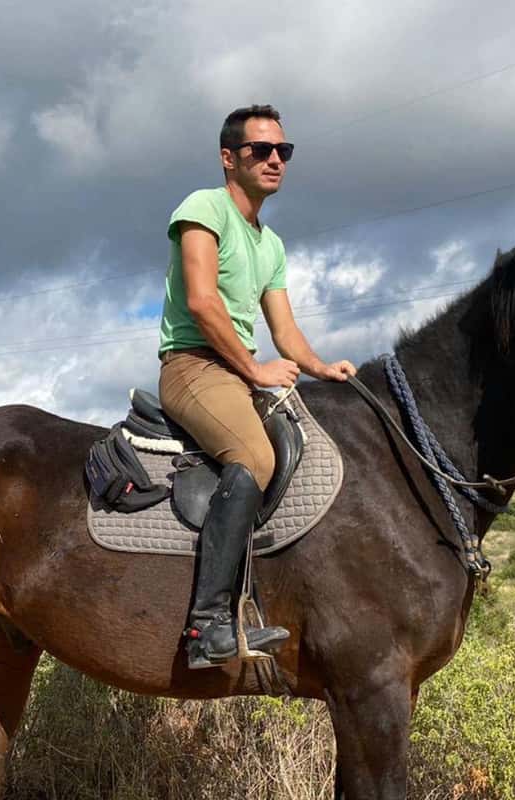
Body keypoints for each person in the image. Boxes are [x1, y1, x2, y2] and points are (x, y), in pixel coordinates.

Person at [157, 104, 356, 669]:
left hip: (236, 372)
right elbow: (201, 300)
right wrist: (255, 368)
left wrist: (320, 367)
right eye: (260, 151)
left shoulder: (270, 244)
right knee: (255, 456)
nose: (274, 160)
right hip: (193, 367)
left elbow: (285, 329)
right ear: (229, 158)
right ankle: (207, 627)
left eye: (283, 152)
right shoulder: (204, 207)